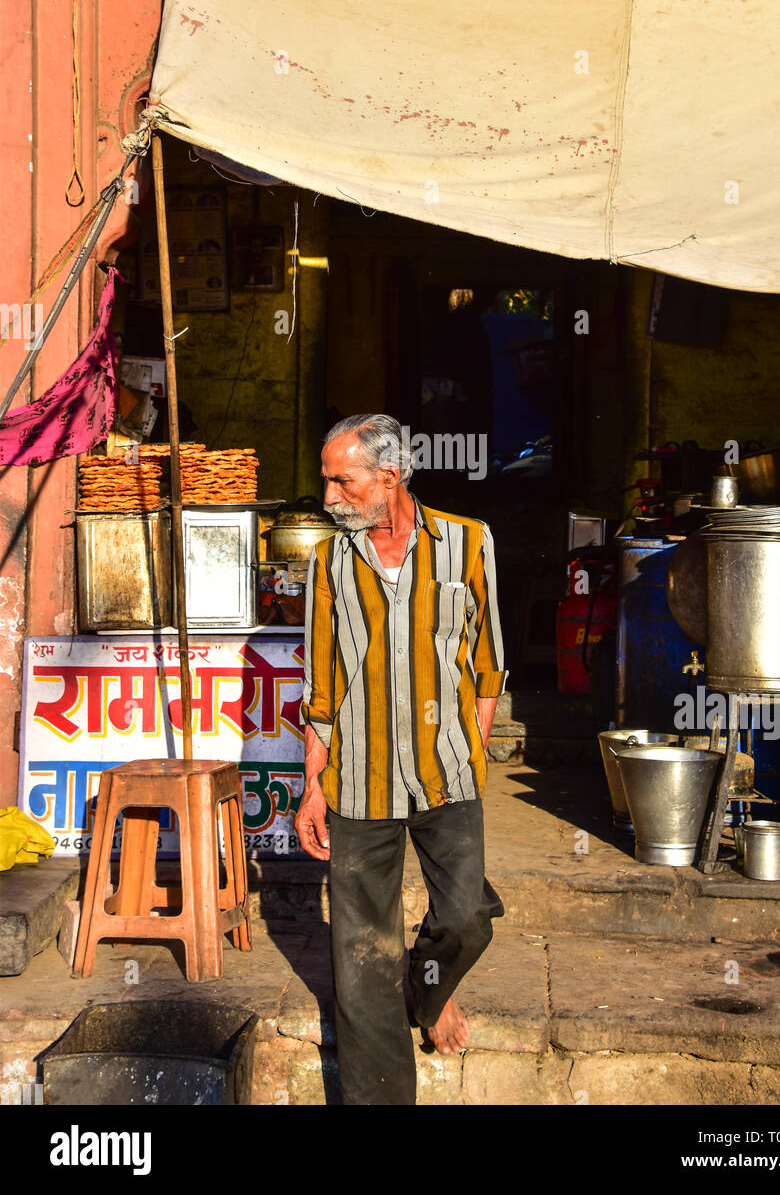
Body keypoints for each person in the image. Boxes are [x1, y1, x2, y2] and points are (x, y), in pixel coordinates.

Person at [295, 412, 508, 1105]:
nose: (328, 496)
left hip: (447, 772)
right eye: (327, 479)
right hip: (357, 779)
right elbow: (321, 686)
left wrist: (469, 747)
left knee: (468, 913)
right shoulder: (329, 561)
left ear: (389, 477)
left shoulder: (468, 543)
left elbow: (487, 661)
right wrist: (312, 786)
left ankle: (428, 986)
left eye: (342, 481)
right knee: (362, 962)